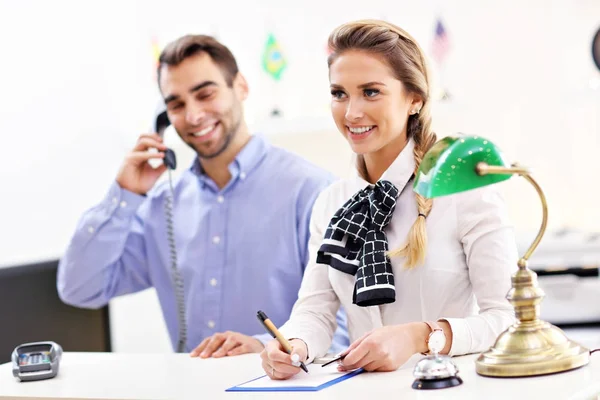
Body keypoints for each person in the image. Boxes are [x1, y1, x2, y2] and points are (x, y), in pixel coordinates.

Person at [57, 34, 348, 357]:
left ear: (240, 87)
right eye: (176, 105)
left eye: (205, 94)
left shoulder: (312, 191)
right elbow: (80, 288)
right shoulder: (160, 208)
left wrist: (266, 347)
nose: (193, 116)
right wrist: (124, 194)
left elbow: (347, 329)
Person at [260, 19, 518, 379]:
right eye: (339, 93)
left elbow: (509, 319)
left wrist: (420, 336)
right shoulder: (330, 202)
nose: (351, 113)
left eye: (371, 92)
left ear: (415, 99)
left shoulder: (464, 191)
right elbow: (316, 310)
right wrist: (292, 344)